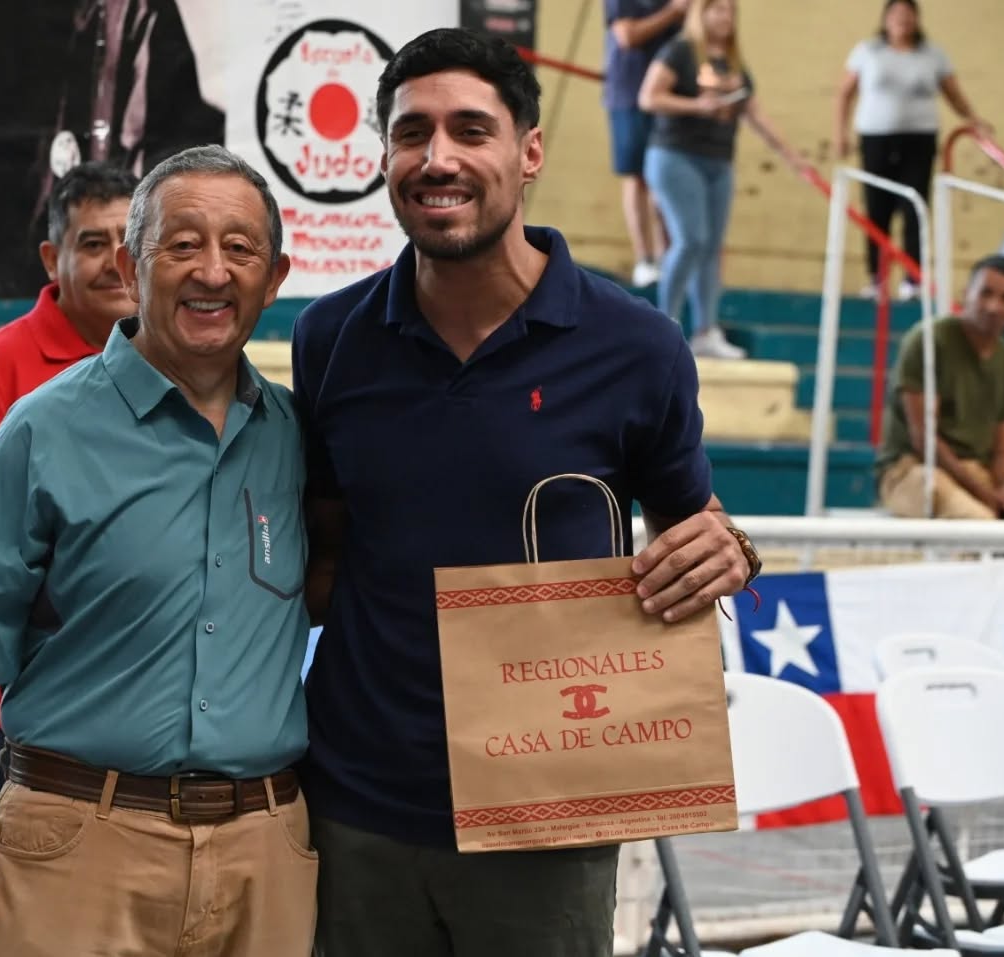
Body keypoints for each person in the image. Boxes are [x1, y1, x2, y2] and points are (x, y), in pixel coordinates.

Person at [292, 27, 759, 957]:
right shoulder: (330, 338)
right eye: (411, 133)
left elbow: (696, 529)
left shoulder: (636, 346)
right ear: (383, 156)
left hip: (549, 816)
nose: (438, 159)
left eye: (471, 129)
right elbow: (327, 553)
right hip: (356, 809)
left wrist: (732, 551)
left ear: (529, 150)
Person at [0, 145, 316, 957]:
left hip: (265, 856)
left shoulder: (297, 437)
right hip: (79, 850)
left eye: (240, 249)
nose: (212, 271)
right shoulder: (41, 429)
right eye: (183, 244)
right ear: (134, 268)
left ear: (273, 279)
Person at [0, 162, 138, 861]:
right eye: (93, 243)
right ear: (51, 257)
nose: (115, 261)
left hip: (130, 713)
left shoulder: (175, 362)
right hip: (14, 717)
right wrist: (83, 546)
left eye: (129, 241)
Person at [638, 0, 808, 360]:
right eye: (716, 9)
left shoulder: (735, 63)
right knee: (691, 239)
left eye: (730, 11)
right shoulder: (680, 51)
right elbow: (649, 97)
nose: (724, 17)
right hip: (675, 155)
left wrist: (791, 156)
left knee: (712, 247)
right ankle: (664, 325)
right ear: (701, 14)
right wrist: (695, 106)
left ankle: (706, 331)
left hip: (719, 162)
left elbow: (756, 114)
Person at [834, 0, 991, 301]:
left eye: (908, 15)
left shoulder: (933, 54)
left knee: (915, 207)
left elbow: (953, 93)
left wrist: (973, 119)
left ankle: (913, 279)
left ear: (917, 20)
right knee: (877, 209)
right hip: (876, 139)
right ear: (885, 20)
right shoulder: (867, 51)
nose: (902, 20)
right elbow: (844, 94)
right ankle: (877, 279)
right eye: (895, 15)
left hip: (919, 140)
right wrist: (840, 134)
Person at [876, 255, 1004, 520]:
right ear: (966, 294)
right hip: (912, 470)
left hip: (975, 471)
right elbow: (924, 439)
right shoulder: (928, 342)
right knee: (977, 520)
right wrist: (984, 494)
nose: (994, 306)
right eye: (985, 293)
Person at [602, 0, 687, 287]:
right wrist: (673, 12)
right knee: (638, 175)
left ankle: (669, 258)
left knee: (668, 176)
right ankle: (645, 259)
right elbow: (627, 36)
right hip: (630, 93)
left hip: (673, 94)